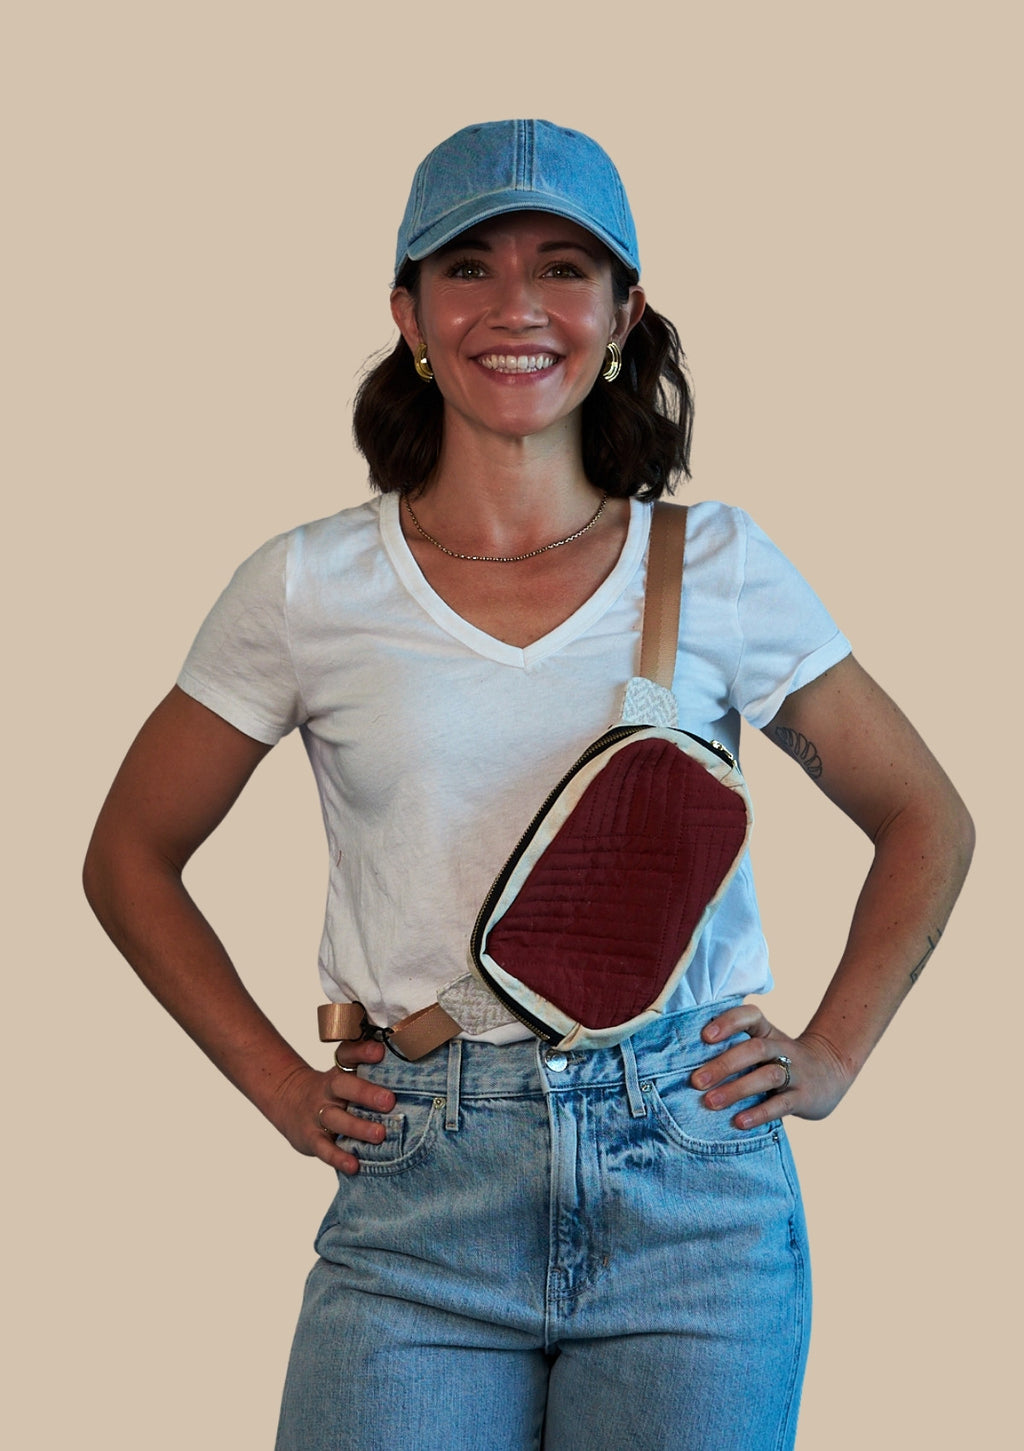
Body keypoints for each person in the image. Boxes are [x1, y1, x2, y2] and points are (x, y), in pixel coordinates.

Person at [83, 119, 973, 1451]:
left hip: (692, 1189)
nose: (516, 308)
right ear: (410, 313)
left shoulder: (717, 565)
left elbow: (925, 820)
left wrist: (834, 1051)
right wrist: (277, 1084)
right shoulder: (305, 586)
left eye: (564, 267)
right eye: (469, 268)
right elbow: (129, 856)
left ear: (623, 311)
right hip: (419, 1192)